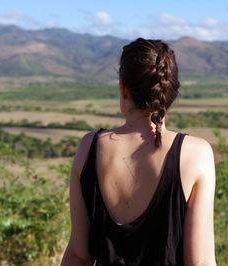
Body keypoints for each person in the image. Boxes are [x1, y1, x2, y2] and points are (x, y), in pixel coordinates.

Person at [61, 38, 216, 266]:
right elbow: (200, 262)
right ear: (172, 91)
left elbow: (78, 254)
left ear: (123, 88)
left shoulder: (89, 147)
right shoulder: (195, 154)